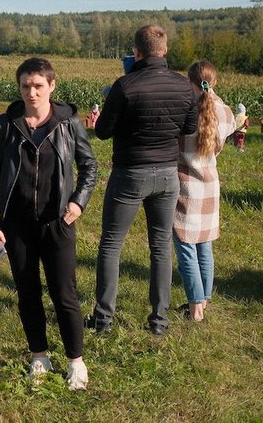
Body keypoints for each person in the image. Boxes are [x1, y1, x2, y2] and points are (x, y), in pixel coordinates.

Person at [0, 58, 97, 390]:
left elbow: (89, 166)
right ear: (18, 88)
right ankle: (39, 356)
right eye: (25, 86)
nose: (31, 92)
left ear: (51, 86)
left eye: (38, 85)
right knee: (28, 292)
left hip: (57, 222)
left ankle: (76, 362)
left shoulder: (68, 123)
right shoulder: (7, 124)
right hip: (17, 224)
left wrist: (78, 201)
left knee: (65, 294)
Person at [87, 25, 199, 336]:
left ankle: (103, 319)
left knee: (111, 245)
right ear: (165, 51)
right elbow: (189, 129)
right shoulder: (184, 88)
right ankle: (159, 322)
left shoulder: (125, 85)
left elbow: (103, 131)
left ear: (136, 52)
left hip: (131, 173)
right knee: (161, 247)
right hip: (167, 174)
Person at [173, 61, 235, 322]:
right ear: (214, 82)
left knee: (185, 245)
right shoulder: (224, 111)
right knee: (204, 245)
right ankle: (204, 300)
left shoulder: (184, 109)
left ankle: (195, 306)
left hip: (186, 183)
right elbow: (231, 126)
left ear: (189, 81)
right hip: (210, 184)